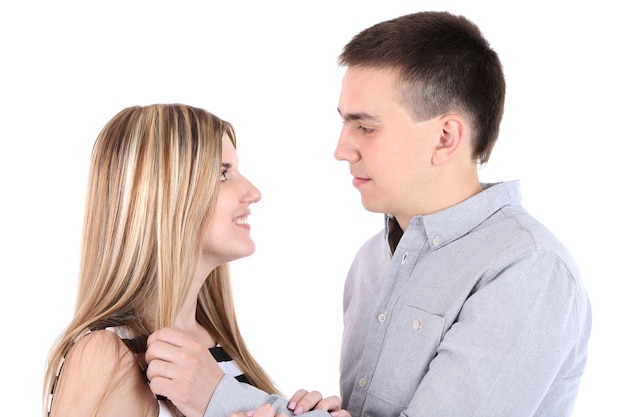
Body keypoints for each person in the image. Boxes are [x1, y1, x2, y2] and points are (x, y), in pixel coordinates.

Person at [332, 10, 592, 417]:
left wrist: (219, 396)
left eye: (364, 127)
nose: (341, 150)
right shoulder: (370, 261)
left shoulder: (527, 269)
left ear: (445, 137)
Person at [42, 104, 347, 417]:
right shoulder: (106, 355)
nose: (253, 192)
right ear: (165, 194)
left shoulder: (217, 348)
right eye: (223, 174)